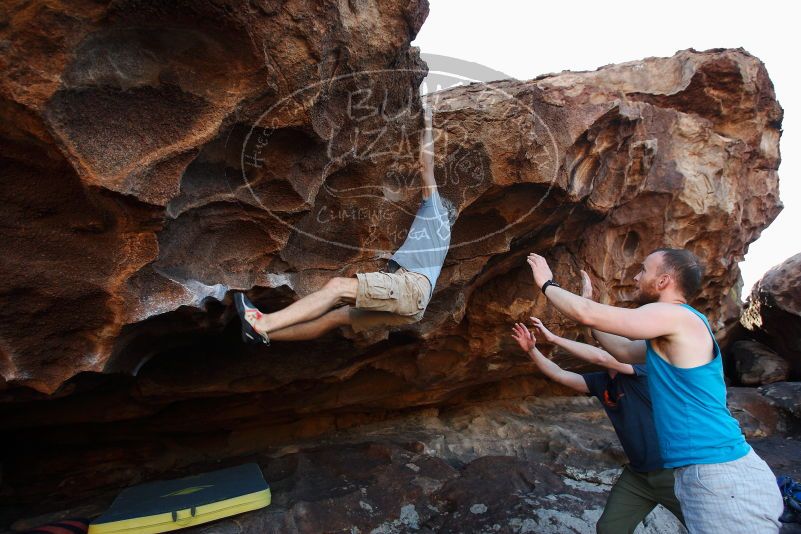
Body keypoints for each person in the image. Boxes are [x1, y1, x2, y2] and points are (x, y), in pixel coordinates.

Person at [526, 248, 784, 533]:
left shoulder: (676, 316)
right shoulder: (671, 331)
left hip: (719, 473)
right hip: (707, 472)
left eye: (643, 270)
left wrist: (548, 284)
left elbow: (589, 315)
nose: (636, 277)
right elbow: (622, 350)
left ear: (663, 281)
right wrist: (587, 317)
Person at [234, 103, 452, 344]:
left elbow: (426, 167)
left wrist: (428, 121)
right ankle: (265, 335)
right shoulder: (439, 238)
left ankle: (262, 323)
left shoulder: (435, 210)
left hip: (410, 290)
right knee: (335, 318)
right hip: (414, 306)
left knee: (337, 286)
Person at [511, 290, 685, 532]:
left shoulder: (643, 369)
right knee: (609, 529)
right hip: (638, 475)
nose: (601, 347)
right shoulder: (601, 382)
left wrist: (554, 339)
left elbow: (604, 358)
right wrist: (532, 350)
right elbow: (560, 374)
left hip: (672, 473)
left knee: (706, 525)